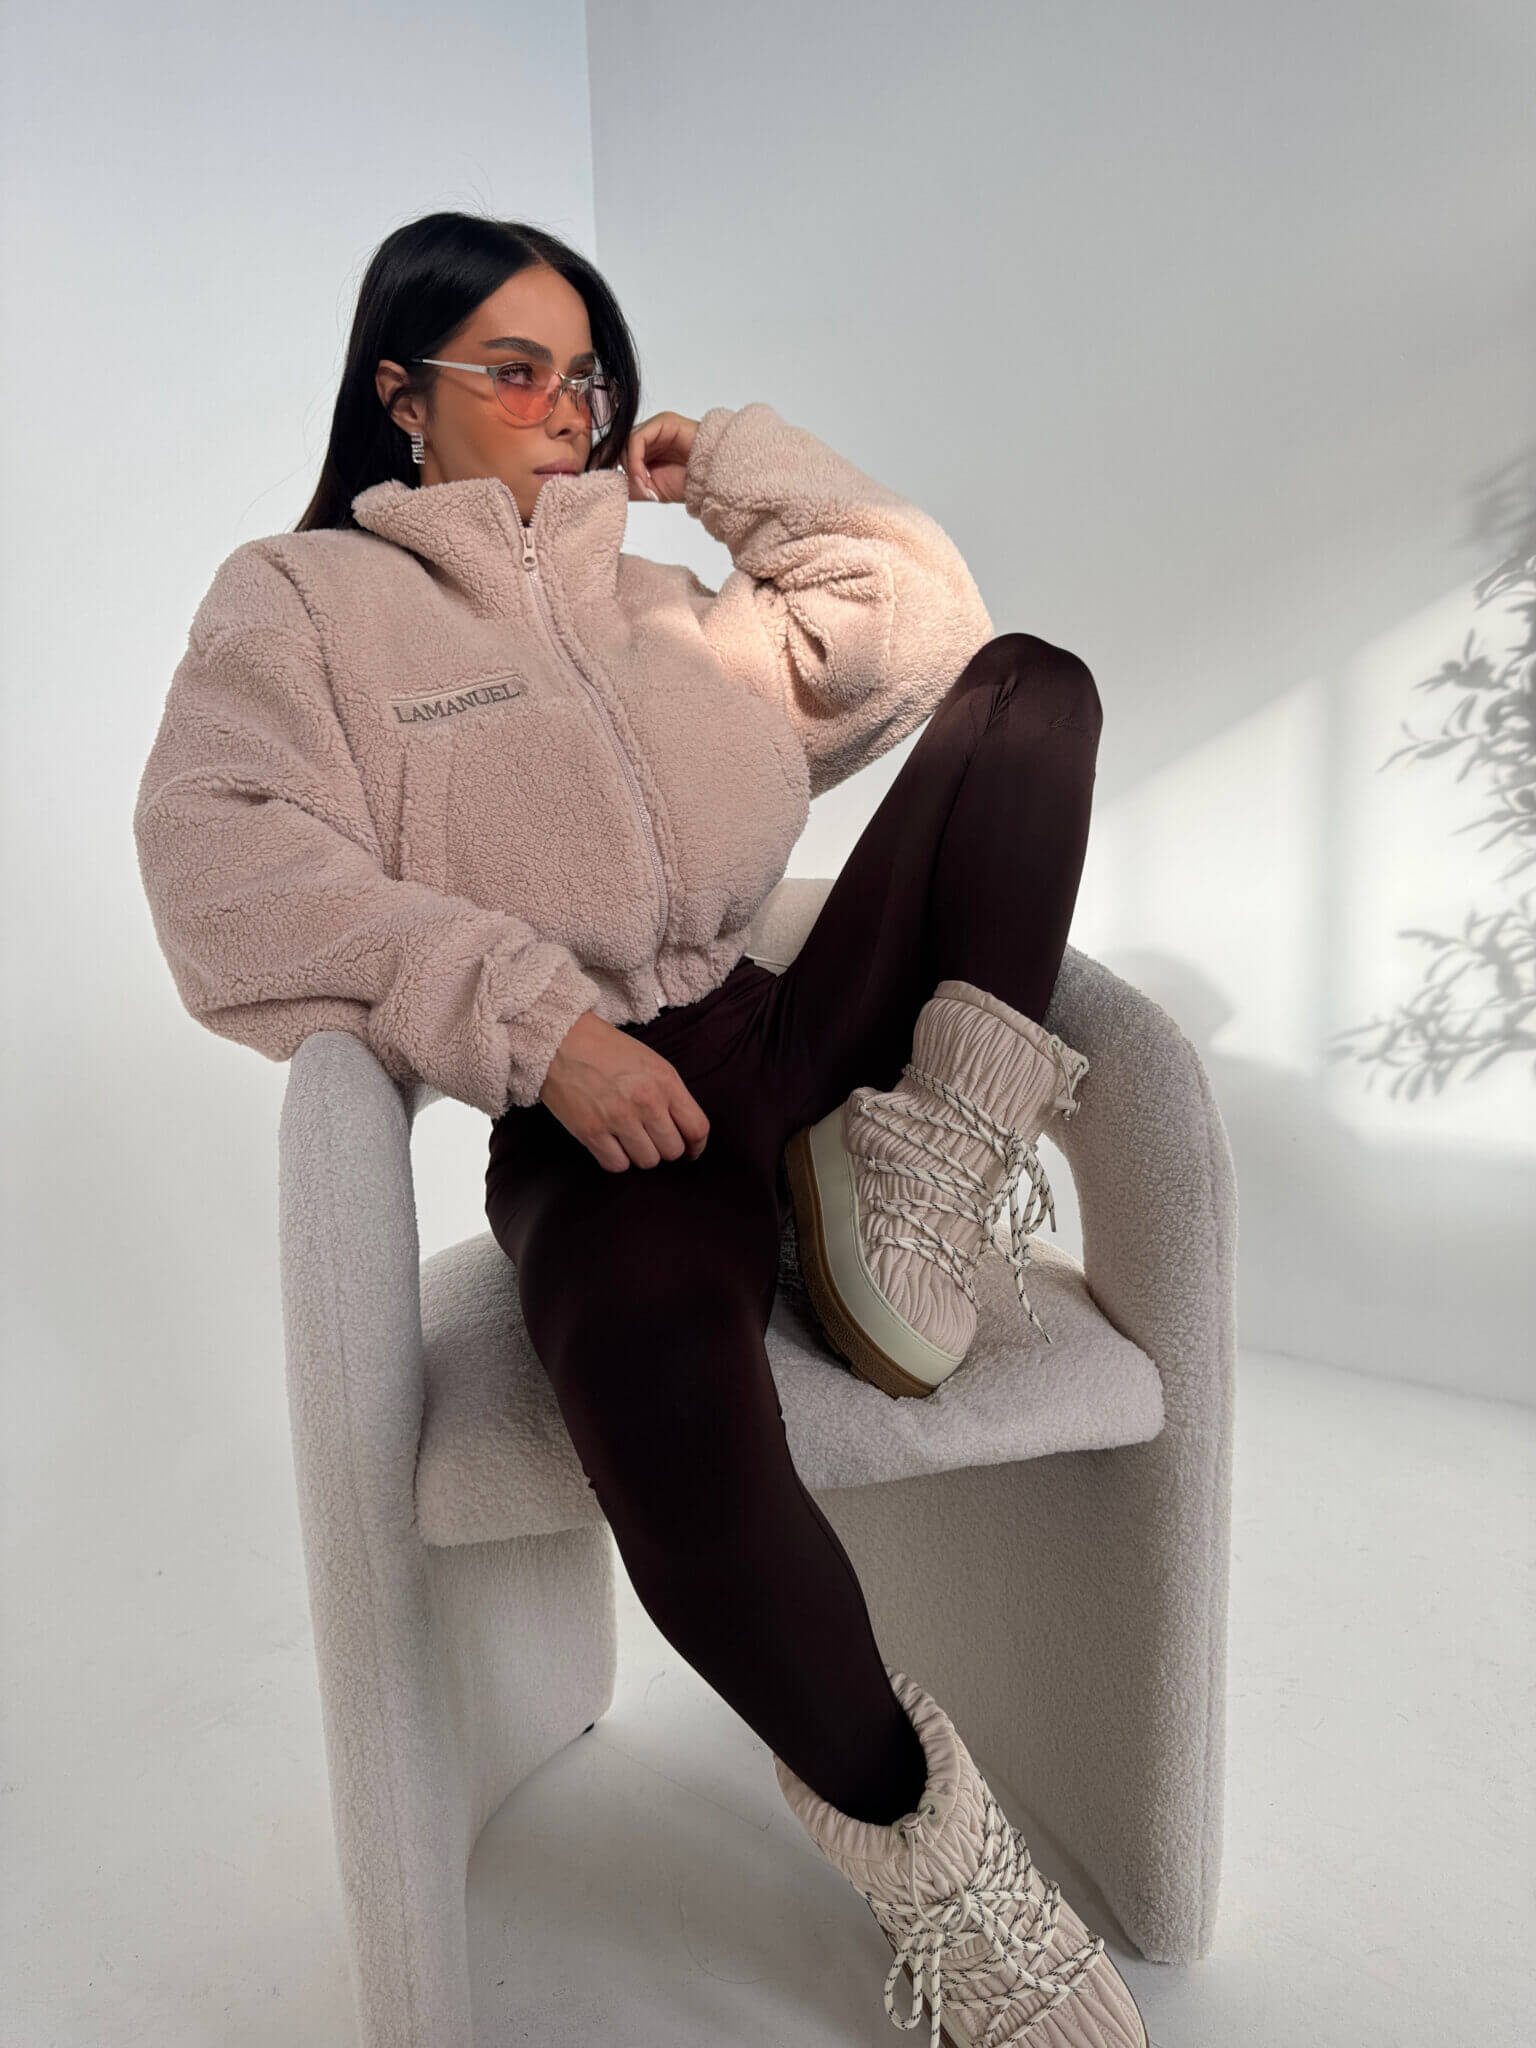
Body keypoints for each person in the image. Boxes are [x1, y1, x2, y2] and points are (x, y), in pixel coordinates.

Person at [133, 210, 1146, 2046]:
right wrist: (540, 1028)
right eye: (515, 370)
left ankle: (917, 1177)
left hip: (798, 1034)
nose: (566, 409)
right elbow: (222, 865)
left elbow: (921, 627)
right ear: (400, 394)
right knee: (662, 1396)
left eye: (587, 377)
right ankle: (945, 1871)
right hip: (601, 1111)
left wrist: (730, 468)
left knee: (1034, 691)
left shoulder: (665, 600)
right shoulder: (304, 605)